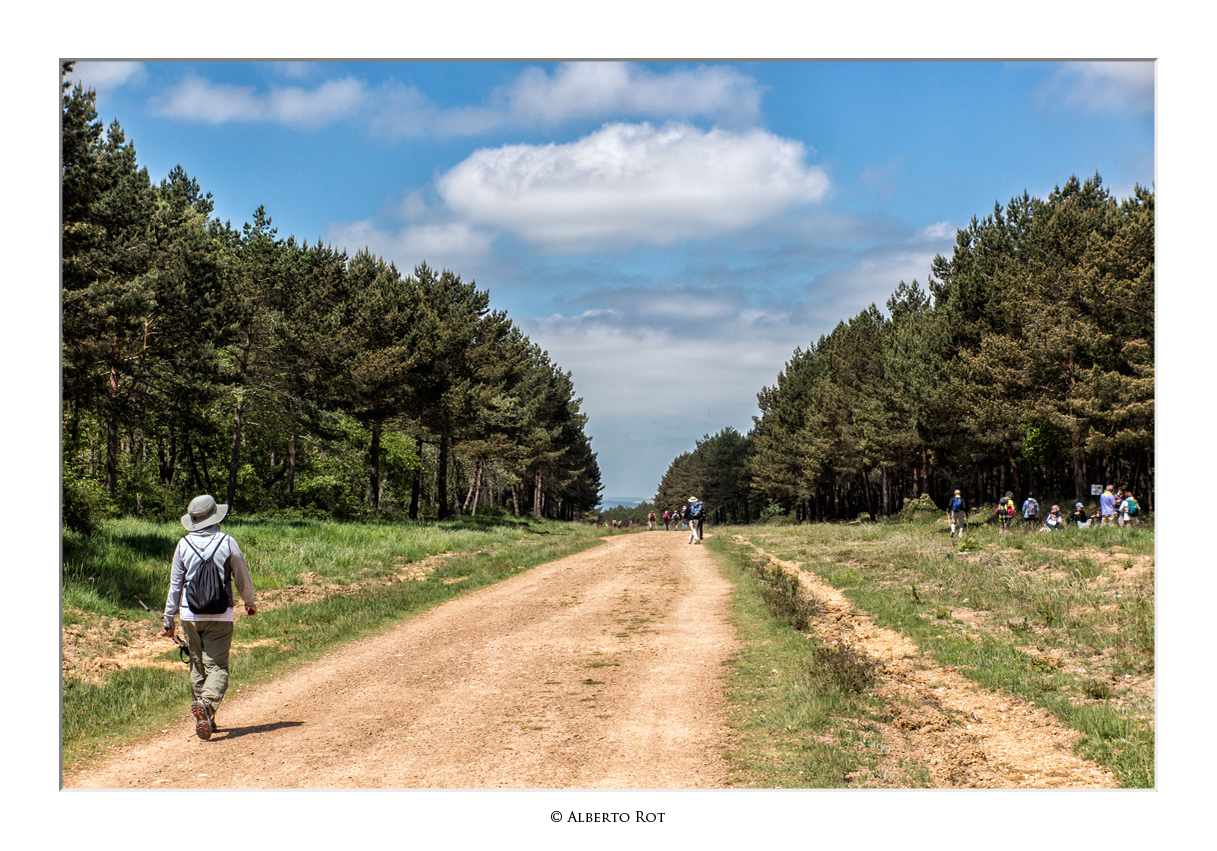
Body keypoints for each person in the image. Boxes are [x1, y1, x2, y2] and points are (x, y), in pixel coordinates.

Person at [163, 494, 257, 740]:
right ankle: (207, 705)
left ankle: (206, 718)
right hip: (220, 615)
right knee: (219, 667)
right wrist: (249, 601)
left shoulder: (183, 545)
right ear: (215, 517)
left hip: (189, 615)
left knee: (197, 665)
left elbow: (175, 585)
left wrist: (168, 618)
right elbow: (241, 576)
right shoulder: (227, 542)